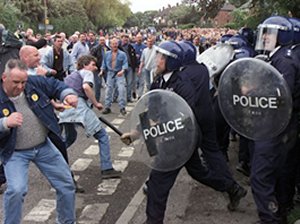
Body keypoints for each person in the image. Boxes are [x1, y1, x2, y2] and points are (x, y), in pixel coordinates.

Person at [121, 41, 247, 224]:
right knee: (199, 173)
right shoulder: (158, 81)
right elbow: (152, 112)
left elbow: (185, 114)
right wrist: (135, 133)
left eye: (160, 57)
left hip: (180, 140)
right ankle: (233, 188)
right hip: (174, 138)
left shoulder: (182, 83)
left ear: (171, 62)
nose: (156, 60)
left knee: (157, 184)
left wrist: (159, 128)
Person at [0, 59, 78, 223]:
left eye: (23, 82)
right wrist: (4, 123)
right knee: (16, 190)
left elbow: (55, 85)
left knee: (66, 184)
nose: (21, 86)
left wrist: (68, 94)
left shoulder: (33, 83)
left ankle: (66, 221)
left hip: (43, 146)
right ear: (4, 77)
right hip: (15, 151)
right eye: (16, 82)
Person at [252, 16, 300, 223]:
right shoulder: (280, 56)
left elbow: (280, 96)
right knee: (278, 172)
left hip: (276, 126)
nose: (264, 37)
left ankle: (270, 218)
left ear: (281, 35)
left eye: (269, 33)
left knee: (260, 177)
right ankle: (278, 213)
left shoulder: (284, 60)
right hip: (281, 126)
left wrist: (253, 92)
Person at [59, 55, 122, 179]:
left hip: (65, 108)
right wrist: (96, 103)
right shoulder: (87, 73)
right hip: (79, 105)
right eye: (93, 64)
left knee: (69, 138)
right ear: (85, 65)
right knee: (103, 135)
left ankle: (56, 162)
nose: (95, 67)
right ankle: (107, 168)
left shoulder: (70, 76)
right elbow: (86, 87)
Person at [101, 37, 128, 115]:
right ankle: (107, 107)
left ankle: (122, 107)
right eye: (113, 44)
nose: (115, 45)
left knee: (121, 89)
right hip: (110, 73)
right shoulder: (107, 54)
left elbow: (125, 64)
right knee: (108, 90)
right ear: (110, 45)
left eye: (116, 43)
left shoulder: (122, 54)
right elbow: (104, 63)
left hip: (119, 73)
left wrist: (122, 70)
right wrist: (101, 70)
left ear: (118, 44)